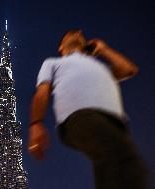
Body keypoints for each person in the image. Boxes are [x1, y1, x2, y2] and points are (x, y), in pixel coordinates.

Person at [28, 29, 149, 189]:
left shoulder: (100, 67)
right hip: (80, 117)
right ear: (61, 48)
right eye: (70, 34)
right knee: (126, 164)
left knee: (110, 174)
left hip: (115, 125)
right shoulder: (53, 63)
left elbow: (128, 69)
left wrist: (104, 49)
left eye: (80, 35)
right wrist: (36, 123)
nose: (78, 33)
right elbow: (42, 92)